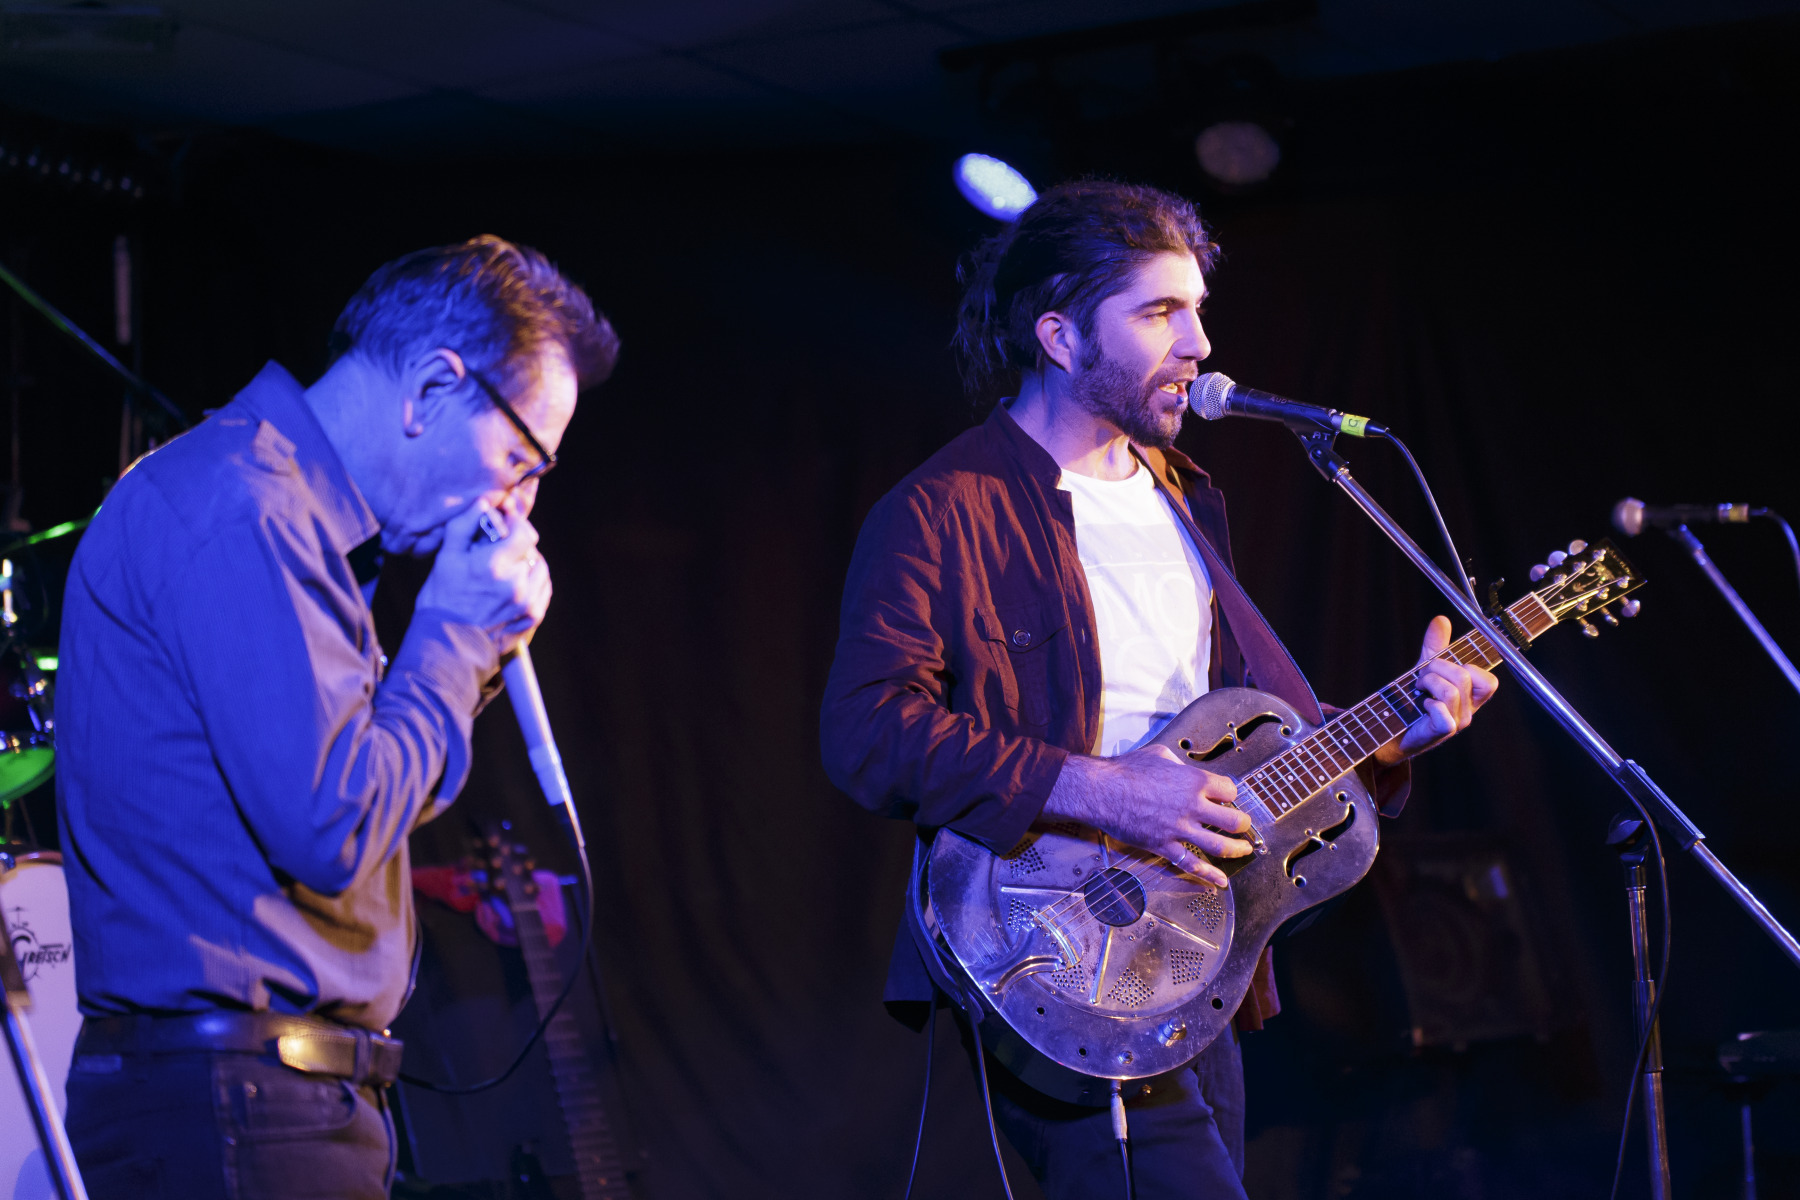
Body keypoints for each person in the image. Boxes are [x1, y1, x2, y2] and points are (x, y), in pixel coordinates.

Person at [819, 181, 1497, 1198]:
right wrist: (1107, 791)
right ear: (1059, 335)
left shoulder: (1188, 500)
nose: (1197, 344)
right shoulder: (942, 510)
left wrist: (1398, 737)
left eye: (1197, 311)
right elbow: (868, 733)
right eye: (1157, 313)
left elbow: (1250, 748)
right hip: (1054, 940)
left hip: (1197, 952)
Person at [55, 236, 618, 1200]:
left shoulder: (295, 524)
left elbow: (368, 797)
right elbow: (334, 825)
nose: (518, 508)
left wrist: (463, 649)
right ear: (435, 391)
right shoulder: (246, 508)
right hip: (234, 1108)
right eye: (524, 459)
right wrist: (451, 633)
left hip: (273, 1100)